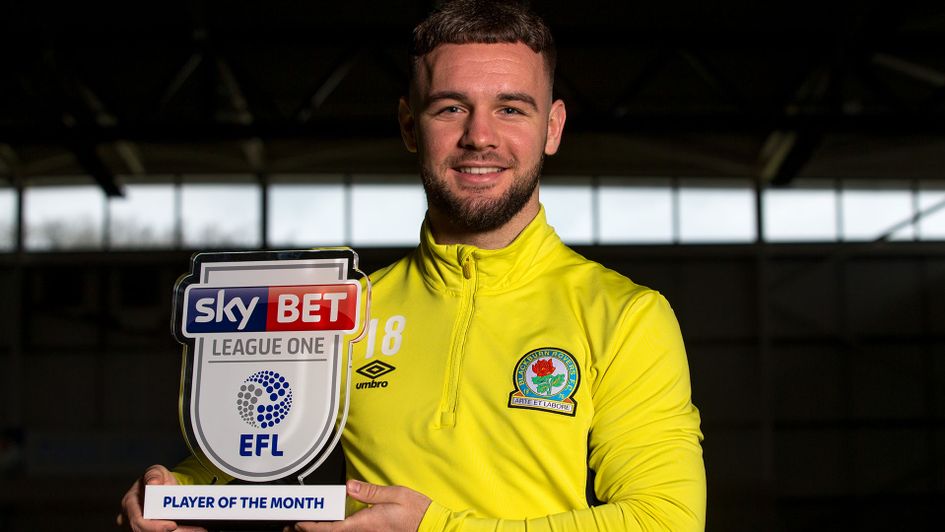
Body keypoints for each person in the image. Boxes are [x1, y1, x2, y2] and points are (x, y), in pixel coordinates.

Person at [119, 1, 706, 530]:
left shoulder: (625, 315)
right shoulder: (344, 308)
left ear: (552, 127)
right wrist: (175, 493)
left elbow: (666, 519)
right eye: (451, 108)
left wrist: (438, 529)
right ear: (409, 125)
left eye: (510, 108)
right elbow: (248, 452)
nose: (480, 136)